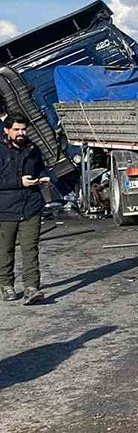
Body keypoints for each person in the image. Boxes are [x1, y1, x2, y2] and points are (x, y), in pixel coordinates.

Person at [0, 114, 48, 303]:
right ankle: (6, 285)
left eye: (23, 129)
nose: (21, 133)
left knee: (30, 249)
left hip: (31, 207)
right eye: (17, 130)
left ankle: (31, 287)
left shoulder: (33, 149)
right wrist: (18, 182)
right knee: (5, 250)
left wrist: (44, 177)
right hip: (6, 209)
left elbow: (41, 168)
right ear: (6, 130)